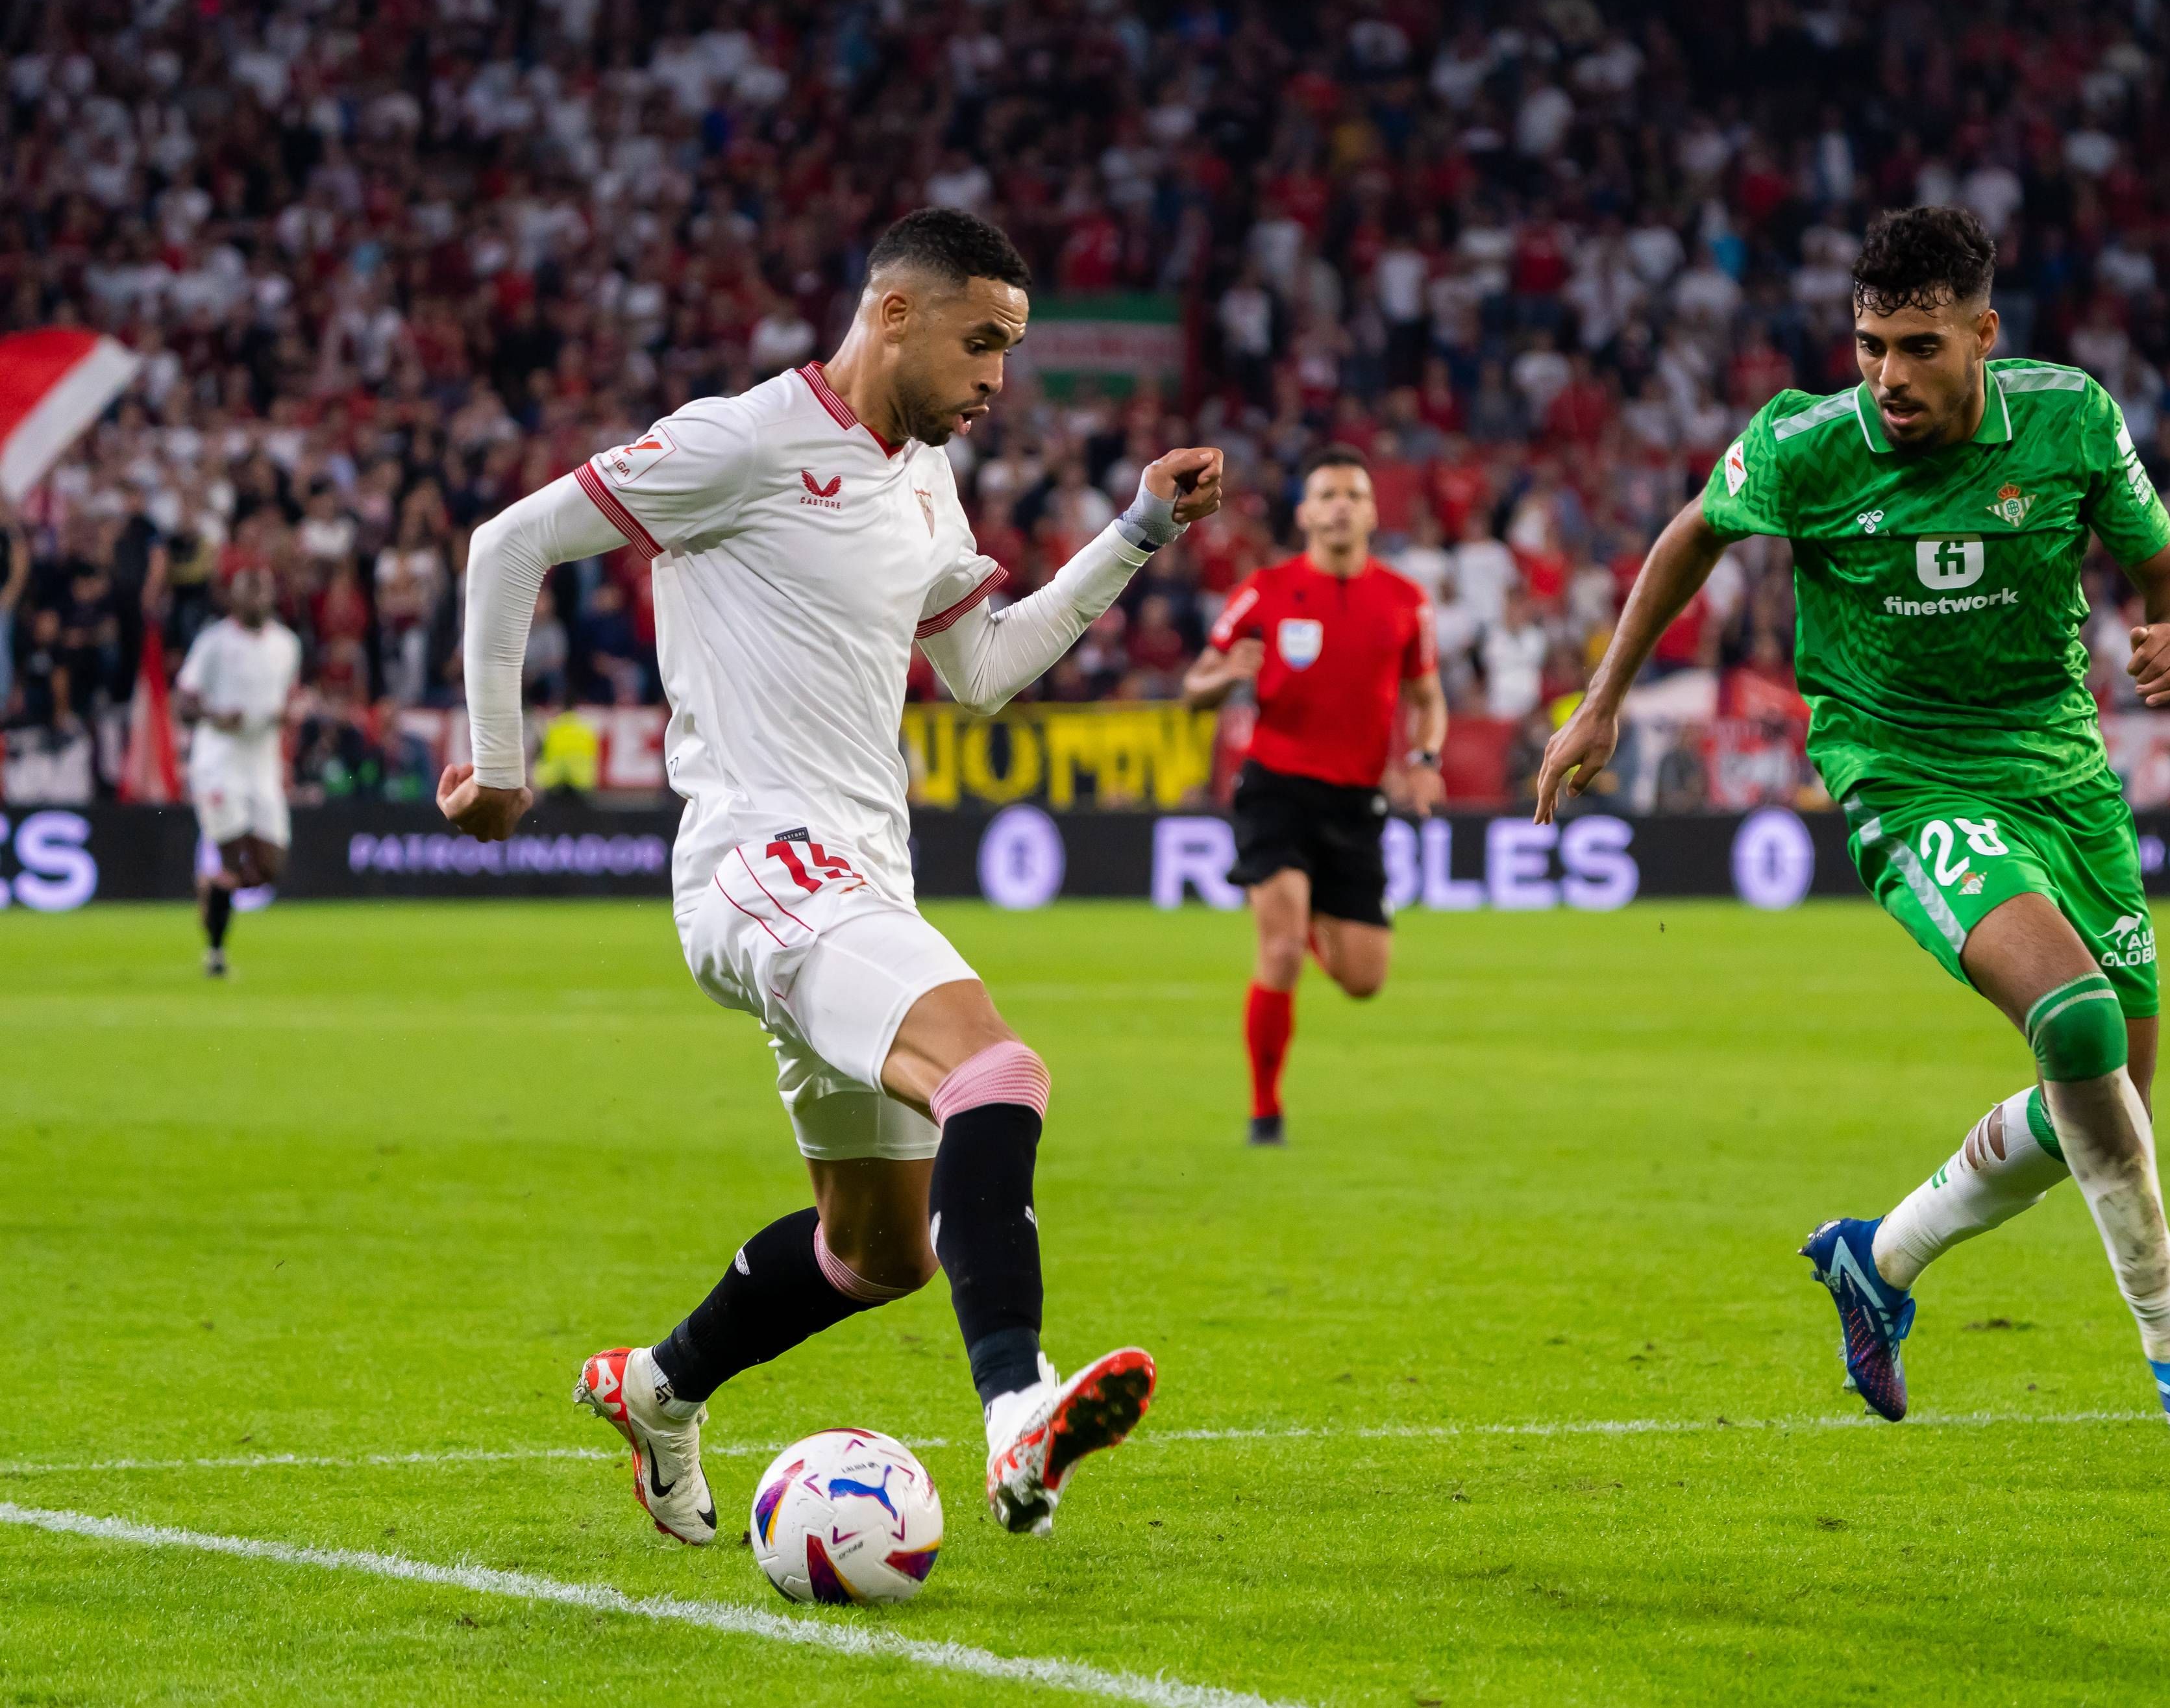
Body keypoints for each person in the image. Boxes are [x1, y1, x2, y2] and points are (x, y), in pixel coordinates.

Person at [439, 209, 1224, 1546]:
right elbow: (505, 544)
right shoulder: (739, 440)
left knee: (877, 1250)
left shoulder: (923, 478)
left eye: (1010, 352)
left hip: (858, 874)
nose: (994, 381)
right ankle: (1015, 1415)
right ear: (892, 313)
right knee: (996, 1071)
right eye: (980, 344)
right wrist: (500, 763)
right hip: (757, 859)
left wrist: (1135, 531)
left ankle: (657, 1386)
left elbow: (979, 669)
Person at [1535, 206, 2170, 1478]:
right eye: (1869, 343)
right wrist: (1598, 700)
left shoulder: (2068, 420)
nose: (1886, 375)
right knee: (2081, 1032)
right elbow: (1687, 539)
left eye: (1918, 346)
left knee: (2110, 1111)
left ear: (1980, 334)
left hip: (2062, 775)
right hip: (1904, 778)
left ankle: (1875, 1262)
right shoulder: (1805, 442)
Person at [1181, 447, 1445, 1146]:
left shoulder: (1405, 602)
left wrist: (1423, 758)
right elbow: (1193, 688)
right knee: (1280, 955)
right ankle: (1265, 1112)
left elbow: (1427, 697)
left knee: (1364, 979)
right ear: (1303, 512)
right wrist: (1224, 678)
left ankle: (1297, 919)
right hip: (1276, 789)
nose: (1339, 506)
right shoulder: (1264, 591)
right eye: (1325, 494)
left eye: (1352, 495)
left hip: (1356, 803)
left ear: (1371, 511)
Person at [172, 568, 301, 978]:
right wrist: (215, 716)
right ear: (234, 600)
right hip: (219, 762)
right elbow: (183, 704)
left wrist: (287, 714)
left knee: (271, 867)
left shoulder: (287, 645)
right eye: (249, 591)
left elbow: (286, 697)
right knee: (232, 862)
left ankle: (212, 892)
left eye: (263, 590)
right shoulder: (214, 643)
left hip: (262, 763)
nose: (257, 598)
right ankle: (215, 955)